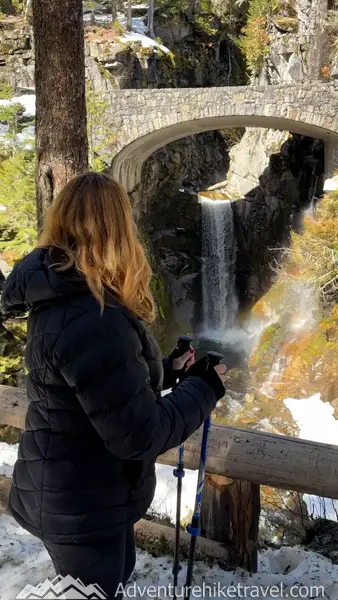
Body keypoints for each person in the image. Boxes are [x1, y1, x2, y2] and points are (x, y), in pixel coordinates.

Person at [1, 172, 226, 598]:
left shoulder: (62, 296)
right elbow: (138, 434)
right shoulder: (94, 315)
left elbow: (93, 384)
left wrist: (168, 369)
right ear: (118, 229)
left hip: (70, 490)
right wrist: (204, 387)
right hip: (83, 505)